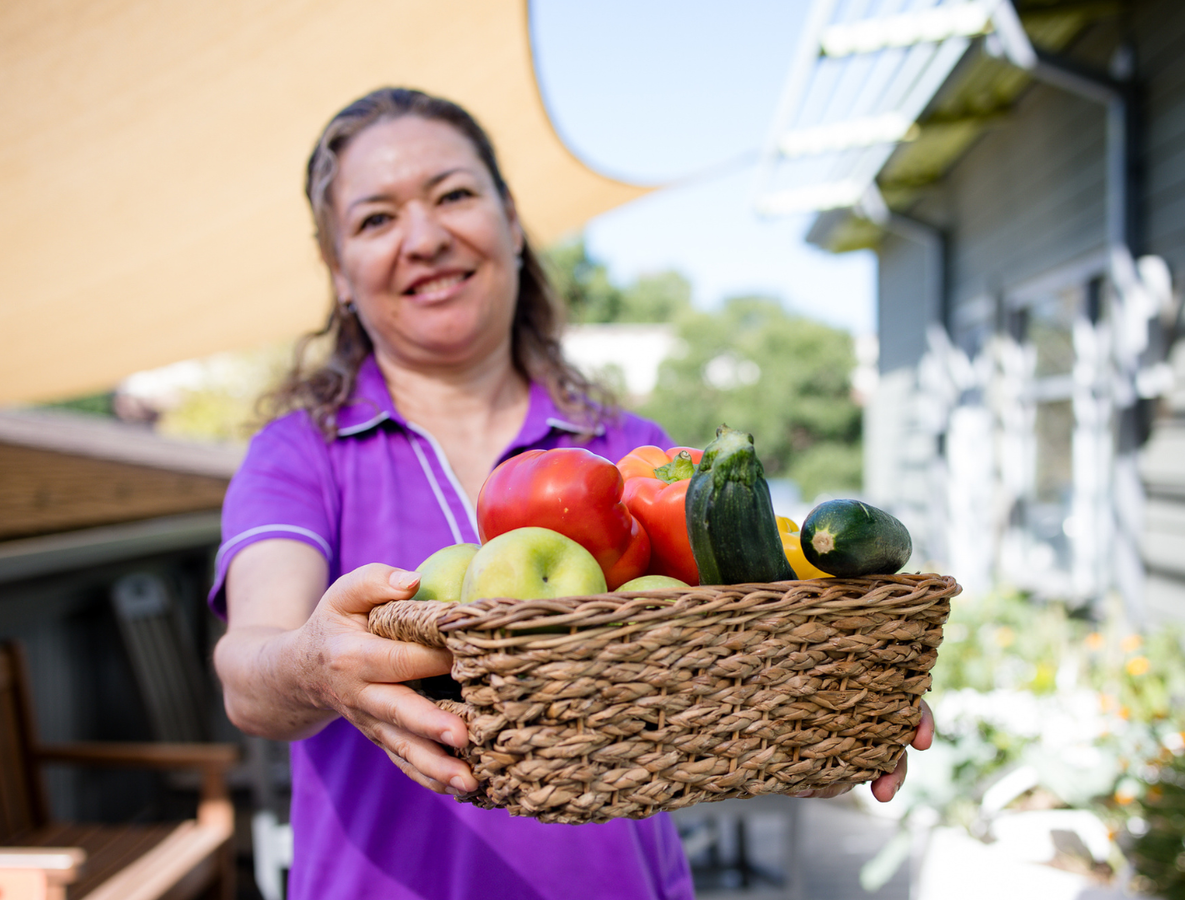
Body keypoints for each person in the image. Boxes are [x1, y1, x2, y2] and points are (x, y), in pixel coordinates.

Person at [210, 87, 932, 900]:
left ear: (512, 224)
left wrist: (830, 691)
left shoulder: (639, 457)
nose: (424, 238)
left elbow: (724, 663)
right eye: (376, 220)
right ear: (339, 272)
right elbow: (248, 672)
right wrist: (309, 665)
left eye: (453, 195)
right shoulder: (301, 453)